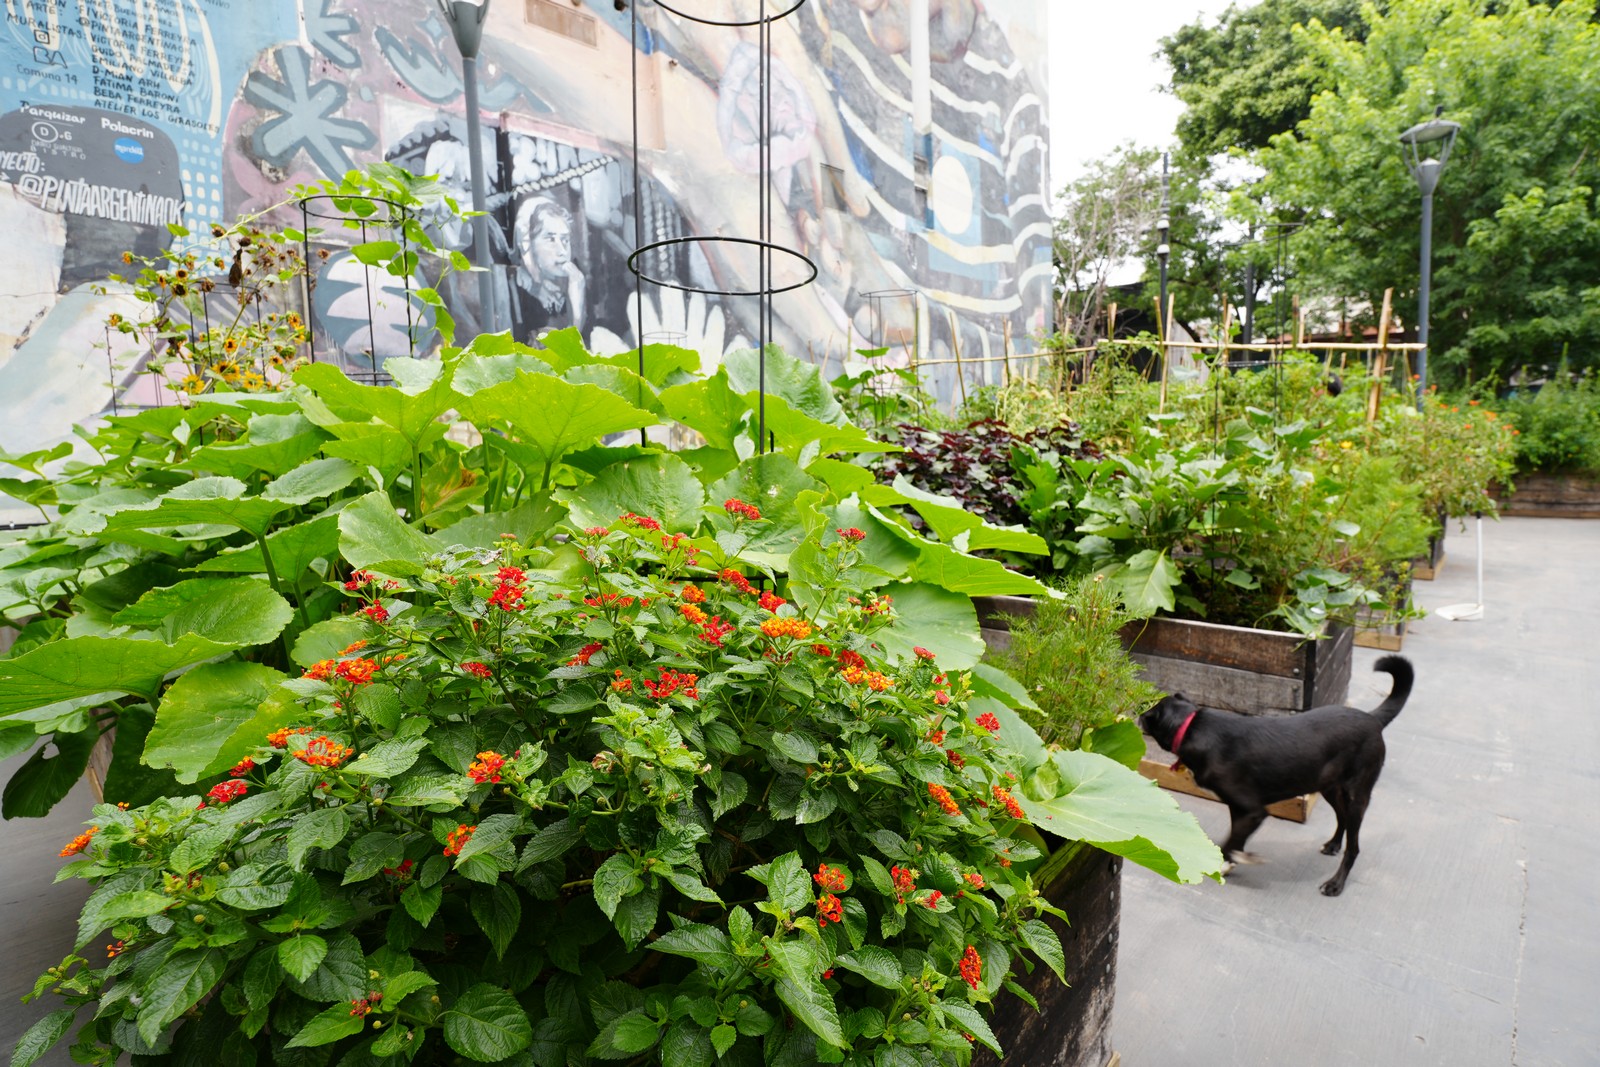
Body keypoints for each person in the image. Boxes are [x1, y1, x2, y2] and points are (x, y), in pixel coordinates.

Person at [512, 195, 586, 340]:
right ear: (528, 244)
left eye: (565, 240)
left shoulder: (574, 285)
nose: (562, 251)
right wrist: (577, 316)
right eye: (550, 239)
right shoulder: (515, 290)